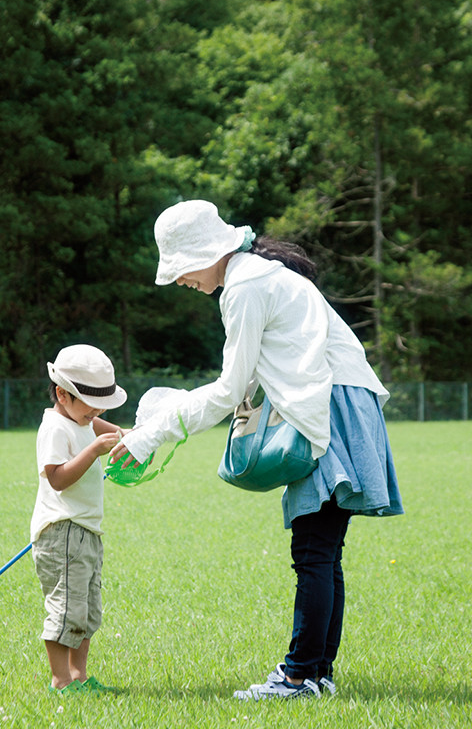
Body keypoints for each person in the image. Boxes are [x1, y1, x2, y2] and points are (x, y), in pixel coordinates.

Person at [111, 199, 403, 700]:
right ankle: (315, 674)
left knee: (313, 552)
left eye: (182, 269)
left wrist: (150, 436)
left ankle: (297, 677)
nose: (181, 281)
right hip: (343, 402)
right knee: (324, 553)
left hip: (329, 405)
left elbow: (229, 391)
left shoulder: (245, 287)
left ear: (207, 253)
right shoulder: (260, 274)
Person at [30, 344, 127, 695]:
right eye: (91, 403)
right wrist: (93, 450)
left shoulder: (83, 416)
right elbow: (56, 478)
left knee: (87, 611)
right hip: (62, 532)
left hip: (87, 530)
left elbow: (108, 429)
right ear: (62, 394)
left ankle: (80, 675)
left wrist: (130, 439)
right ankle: (61, 681)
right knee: (66, 608)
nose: (97, 412)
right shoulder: (55, 428)